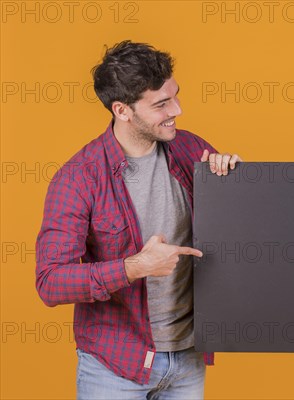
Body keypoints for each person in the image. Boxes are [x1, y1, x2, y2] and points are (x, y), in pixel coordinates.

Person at [35, 40, 240, 399]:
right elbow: (50, 281)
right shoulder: (79, 177)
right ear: (123, 110)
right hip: (115, 366)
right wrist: (135, 266)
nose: (177, 109)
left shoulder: (191, 149)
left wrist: (233, 182)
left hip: (189, 357)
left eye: (175, 95)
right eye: (161, 104)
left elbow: (234, 238)